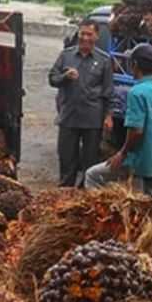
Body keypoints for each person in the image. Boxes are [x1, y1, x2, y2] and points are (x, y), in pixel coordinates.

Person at [84, 43, 152, 199]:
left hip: (139, 162)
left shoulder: (137, 93)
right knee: (151, 205)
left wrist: (122, 154)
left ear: (135, 64)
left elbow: (136, 131)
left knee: (92, 176)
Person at [49, 19, 113, 187]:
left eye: (89, 34)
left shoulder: (104, 60)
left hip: (92, 119)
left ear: (97, 36)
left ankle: (84, 195)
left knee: (89, 162)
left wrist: (108, 116)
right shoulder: (66, 55)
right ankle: (65, 193)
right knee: (66, 158)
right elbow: (52, 79)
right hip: (69, 117)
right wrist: (65, 76)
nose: (84, 37)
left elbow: (108, 92)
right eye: (82, 33)